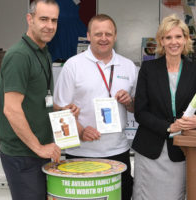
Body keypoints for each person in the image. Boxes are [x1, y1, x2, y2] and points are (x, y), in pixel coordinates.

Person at [0, 1, 77, 199]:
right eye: (43, 19)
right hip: (23, 155)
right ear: (29, 19)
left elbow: (39, 99)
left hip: (38, 152)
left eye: (54, 20)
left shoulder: (43, 52)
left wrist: (60, 109)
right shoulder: (19, 56)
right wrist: (39, 148)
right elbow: (12, 109)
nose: (49, 25)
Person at [53, 14, 137, 200]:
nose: (104, 38)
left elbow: (135, 108)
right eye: (98, 34)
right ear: (88, 36)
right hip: (81, 153)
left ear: (115, 36)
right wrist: (81, 131)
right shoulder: (73, 65)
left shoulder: (128, 66)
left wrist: (129, 101)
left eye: (108, 33)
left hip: (118, 151)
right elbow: (58, 109)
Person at [132, 14, 196, 200]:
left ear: (186, 40)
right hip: (150, 150)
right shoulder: (148, 70)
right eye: (168, 37)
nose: (174, 42)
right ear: (161, 41)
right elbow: (140, 112)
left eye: (178, 37)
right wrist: (168, 127)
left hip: (180, 151)